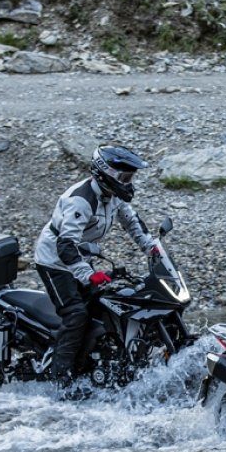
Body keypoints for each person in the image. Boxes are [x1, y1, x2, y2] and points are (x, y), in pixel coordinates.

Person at [33, 145, 157, 386]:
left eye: (130, 177)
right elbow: (65, 246)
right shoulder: (81, 200)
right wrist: (88, 275)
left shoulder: (112, 196)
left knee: (105, 304)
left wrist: (152, 248)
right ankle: (60, 380)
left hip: (79, 256)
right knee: (76, 314)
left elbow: (132, 222)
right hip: (55, 262)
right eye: (124, 177)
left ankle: (94, 363)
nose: (128, 182)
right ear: (106, 173)